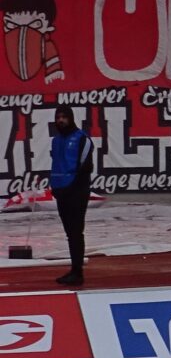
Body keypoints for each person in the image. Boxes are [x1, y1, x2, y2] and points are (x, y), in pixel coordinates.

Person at [49, 104, 93, 286]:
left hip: (76, 192)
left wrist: (72, 188)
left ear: (71, 118)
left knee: (76, 232)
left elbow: (86, 168)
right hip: (61, 192)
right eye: (58, 117)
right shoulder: (56, 140)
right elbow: (57, 164)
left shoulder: (82, 139)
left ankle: (78, 272)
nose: (60, 120)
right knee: (69, 233)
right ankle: (74, 270)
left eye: (64, 117)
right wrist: (55, 186)